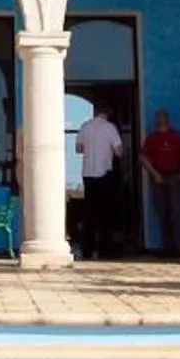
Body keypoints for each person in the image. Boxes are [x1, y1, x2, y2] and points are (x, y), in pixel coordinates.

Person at [75, 102, 128, 260]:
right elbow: (119, 152)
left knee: (89, 213)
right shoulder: (110, 128)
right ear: (108, 113)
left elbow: (78, 149)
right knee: (105, 213)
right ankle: (105, 250)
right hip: (105, 174)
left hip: (88, 174)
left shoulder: (85, 126)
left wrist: (91, 149)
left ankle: (87, 250)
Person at [142, 109, 180, 257]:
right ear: (156, 120)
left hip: (175, 176)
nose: (162, 120)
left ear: (168, 119)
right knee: (162, 212)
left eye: (164, 117)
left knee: (177, 212)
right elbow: (143, 157)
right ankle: (167, 249)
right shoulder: (152, 138)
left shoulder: (177, 136)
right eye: (159, 117)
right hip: (158, 177)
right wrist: (154, 173)